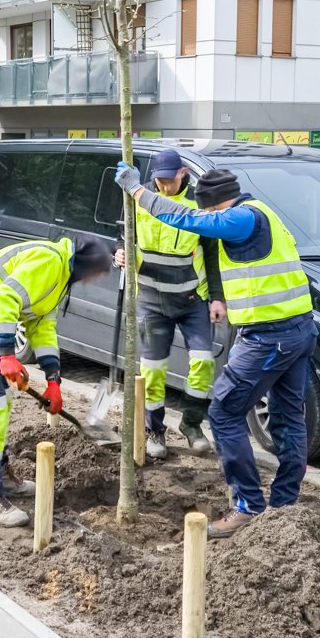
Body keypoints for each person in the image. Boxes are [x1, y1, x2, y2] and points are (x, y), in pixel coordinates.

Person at [115, 164, 316, 539]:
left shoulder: (240, 218)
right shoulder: (264, 211)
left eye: (208, 210)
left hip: (268, 336)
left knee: (224, 411)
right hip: (298, 329)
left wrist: (137, 191)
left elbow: (184, 217)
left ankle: (248, 506)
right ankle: (285, 503)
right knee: (289, 416)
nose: (207, 215)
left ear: (216, 205)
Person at [0, 235, 114, 527]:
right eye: (95, 274)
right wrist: (7, 354)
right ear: (87, 266)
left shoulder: (61, 277)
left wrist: (53, 380)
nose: (91, 281)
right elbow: (3, 298)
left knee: (1, 402)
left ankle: (1, 475)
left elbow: (42, 326)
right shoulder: (49, 261)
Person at [113, 150, 218, 459]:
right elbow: (123, 235)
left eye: (169, 181)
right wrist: (119, 252)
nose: (164, 187)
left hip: (190, 299)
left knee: (203, 362)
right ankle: (154, 429)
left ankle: (191, 425)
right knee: (153, 370)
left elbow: (211, 254)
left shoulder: (198, 204)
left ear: (183, 174)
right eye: (158, 181)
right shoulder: (136, 196)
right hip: (150, 299)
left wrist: (216, 298)